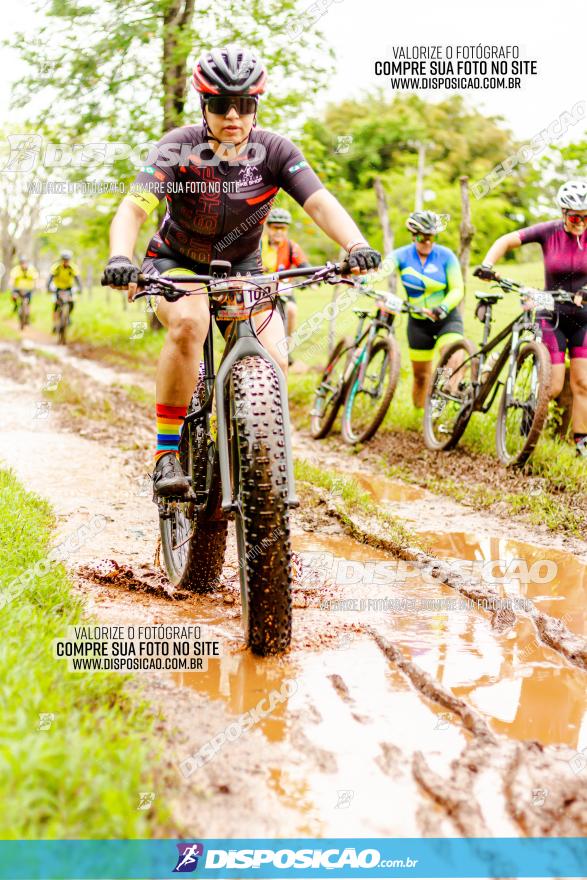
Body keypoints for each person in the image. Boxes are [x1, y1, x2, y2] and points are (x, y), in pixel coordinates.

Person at [101, 45, 381, 499]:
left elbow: (319, 202)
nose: (232, 114)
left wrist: (357, 245)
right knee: (190, 323)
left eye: (244, 104)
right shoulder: (178, 147)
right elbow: (134, 209)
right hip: (175, 261)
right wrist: (120, 257)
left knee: (273, 359)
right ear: (202, 106)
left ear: (257, 105)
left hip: (243, 267)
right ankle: (166, 453)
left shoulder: (275, 150)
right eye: (219, 104)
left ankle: (258, 452)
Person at [476, 180, 587, 457]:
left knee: (583, 383)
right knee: (553, 385)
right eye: (575, 217)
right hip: (551, 311)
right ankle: (530, 417)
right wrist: (488, 264)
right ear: (563, 213)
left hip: (583, 318)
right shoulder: (548, 231)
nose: (581, 223)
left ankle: (581, 444)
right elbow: (506, 240)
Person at [385, 211, 464, 408]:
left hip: (445, 318)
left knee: (454, 358)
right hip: (418, 323)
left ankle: (450, 405)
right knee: (421, 377)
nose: (427, 242)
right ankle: (419, 419)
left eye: (432, 237)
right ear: (413, 235)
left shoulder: (446, 256)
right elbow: (381, 271)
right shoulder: (401, 255)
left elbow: (457, 289)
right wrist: (362, 278)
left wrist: (443, 307)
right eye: (422, 238)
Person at [261, 207, 309, 356]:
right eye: (276, 227)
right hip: (262, 289)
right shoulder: (259, 245)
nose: (279, 232)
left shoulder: (291, 246)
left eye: (283, 228)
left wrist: (312, 278)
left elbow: (304, 265)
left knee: (292, 310)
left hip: (284, 289)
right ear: (268, 227)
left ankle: (287, 347)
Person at [47, 250, 82, 332]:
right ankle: (55, 324)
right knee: (56, 306)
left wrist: (80, 287)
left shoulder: (73, 267)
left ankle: (67, 316)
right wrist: (48, 287)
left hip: (68, 288)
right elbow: (50, 278)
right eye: (64, 260)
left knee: (71, 303)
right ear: (61, 260)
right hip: (58, 288)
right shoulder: (56, 267)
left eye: (68, 260)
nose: (66, 261)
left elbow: (77, 279)